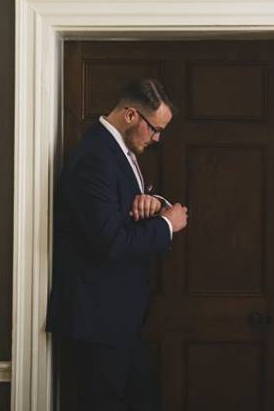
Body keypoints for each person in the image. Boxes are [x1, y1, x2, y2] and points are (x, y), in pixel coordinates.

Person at [47, 78, 189, 410]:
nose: (157, 138)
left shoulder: (116, 152)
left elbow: (115, 214)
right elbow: (110, 243)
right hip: (98, 321)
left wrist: (152, 204)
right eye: (154, 129)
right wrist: (167, 225)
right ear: (130, 115)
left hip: (118, 319)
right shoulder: (96, 157)